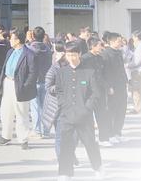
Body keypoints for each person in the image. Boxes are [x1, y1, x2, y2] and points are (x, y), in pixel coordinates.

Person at [55, 41, 104, 181]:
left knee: (90, 143)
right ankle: (65, 173)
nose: (71, 58)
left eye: (74, 55)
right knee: (66, 145)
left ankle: (98, 168)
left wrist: (87, 108)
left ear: (80, 54)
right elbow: (59, 91)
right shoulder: (61, 72)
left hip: (84, 115)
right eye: (68, 54)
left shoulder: (89, 71)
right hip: (67, 115)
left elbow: (95, 93)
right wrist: (64, 106)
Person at [0, 29, 37, 149]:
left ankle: (23, 139)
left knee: (21, 113)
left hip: (20, 86)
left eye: (12, 38)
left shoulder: (29, 54)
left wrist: (25, 86)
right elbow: (4, 68)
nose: (10, 40)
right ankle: (6, 136)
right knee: (5, 111)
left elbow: (33, 73)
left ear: (18, 40)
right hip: (8, 83)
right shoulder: (10, 51)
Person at [100, 32, 128, 143]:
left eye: (121, 40)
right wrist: (108, 87)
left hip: (121, 86)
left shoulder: (119, 52)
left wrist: (126, 81)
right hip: (112, 87)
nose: (120, 43)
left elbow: (122, 68)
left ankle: (117, 132)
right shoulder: (105, 54)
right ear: (111, 41)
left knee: (121, 110)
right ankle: (110, 134)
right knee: (111, 111)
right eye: (118, 41)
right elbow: (104, 73)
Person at [28, 26, 53, 137]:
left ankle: (37, 130)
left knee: (35, 107)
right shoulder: (48, 49)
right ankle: (46, 130)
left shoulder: (29, 49)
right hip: (46, 80)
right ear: (43, 36)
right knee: (44, 106)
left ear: (33, 36)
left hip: (34, 81)